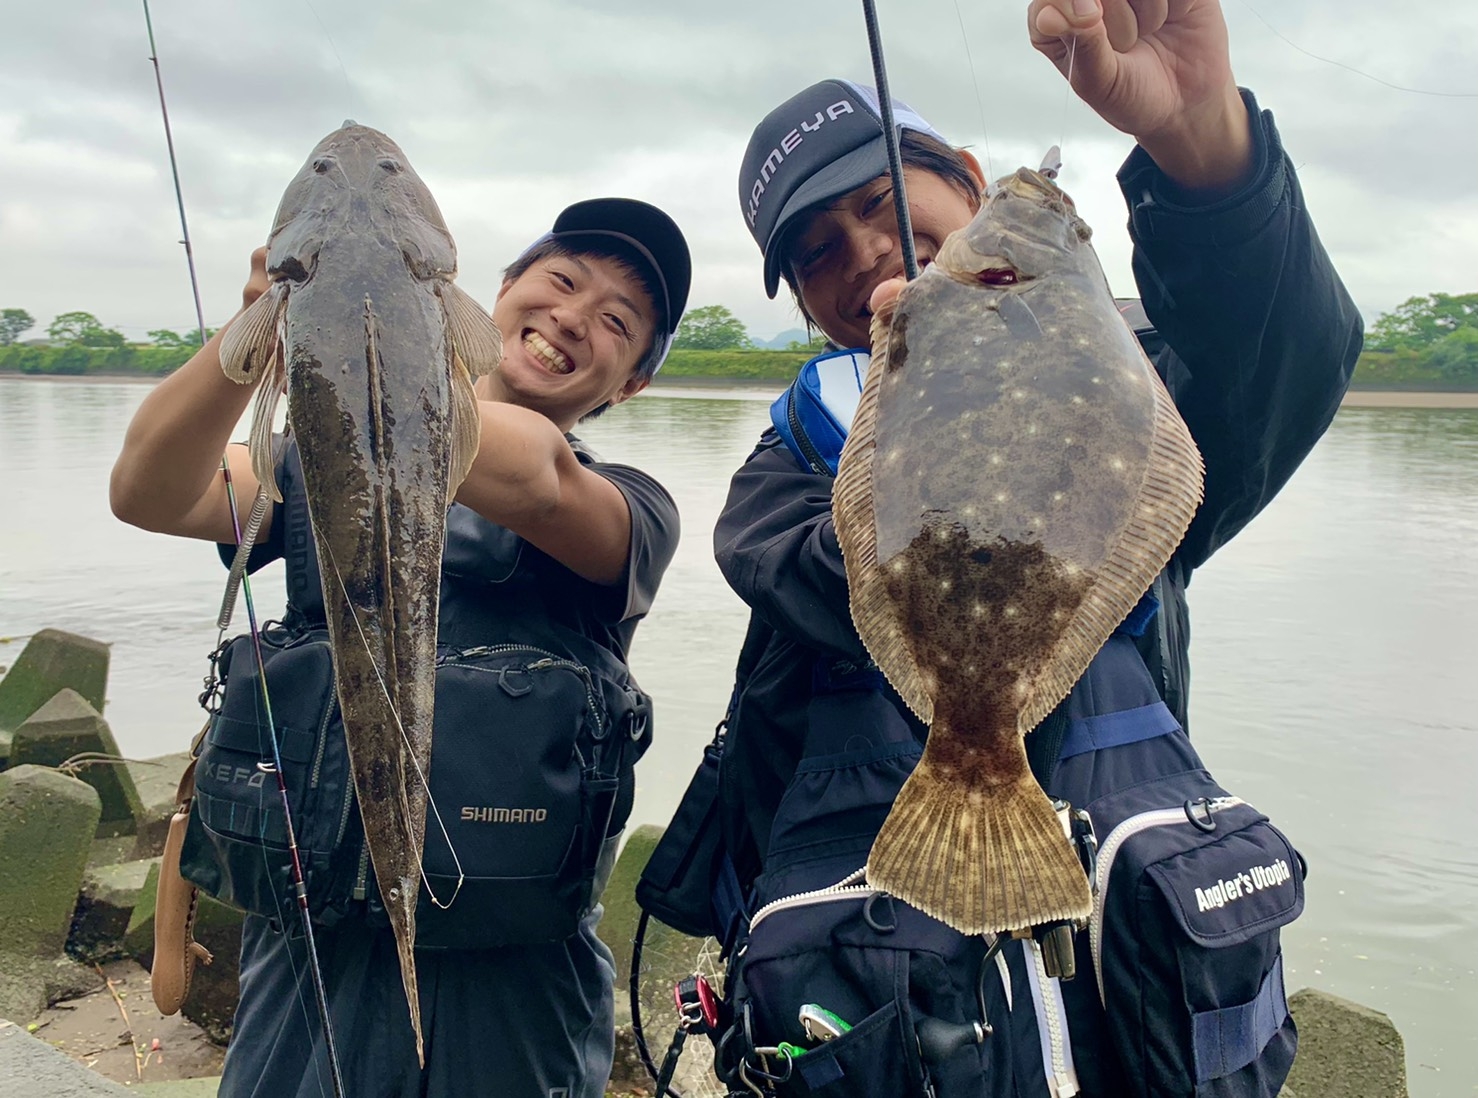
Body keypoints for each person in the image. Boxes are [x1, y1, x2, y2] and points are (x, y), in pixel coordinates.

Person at [709, 0, 1362, 1094]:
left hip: (1123, 1005)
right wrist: (925, 433)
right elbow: (787, 569)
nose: (867, 249)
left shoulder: (1132, 390)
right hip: (888, 1009)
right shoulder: (787, 463)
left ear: (964, 178)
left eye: (882, 201)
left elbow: (1283, 349)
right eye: (816, 252)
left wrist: (1196, 142)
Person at [111, 197, 691, 1097]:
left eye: (617, 322)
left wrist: (365, 332)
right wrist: (258, 329)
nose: (573, 318)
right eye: (561, 281)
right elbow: (148, 491)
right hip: (307, 954)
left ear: (631, 385)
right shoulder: (311, 457)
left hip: (511, 985)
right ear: (491, 295)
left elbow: (535, 476)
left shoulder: (630, 507)